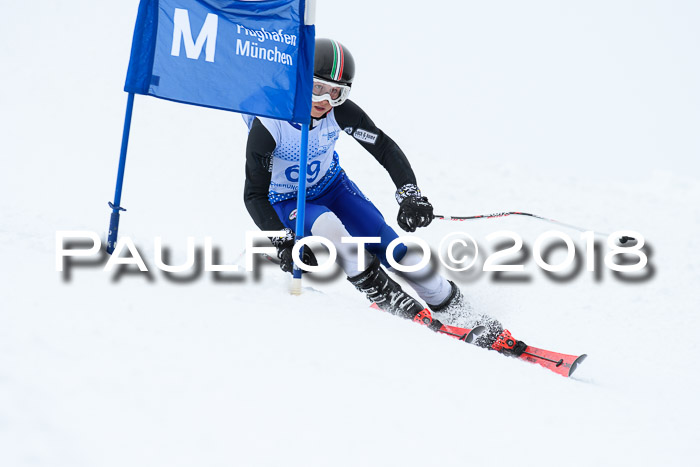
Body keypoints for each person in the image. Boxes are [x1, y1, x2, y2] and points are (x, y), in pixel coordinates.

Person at [243, 38, 516, 352]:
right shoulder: (270, 122)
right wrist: (282, 239)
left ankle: (455, 308)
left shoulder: (341, 113)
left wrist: (409, 193)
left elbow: (383, 147)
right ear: (302, 80)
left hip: (332, 187)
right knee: (334, 232)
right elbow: (254, 194)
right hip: (288, 200)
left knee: (391, 245)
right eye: (318, 88)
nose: (325, 100)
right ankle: (392, 299)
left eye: (337, 92)